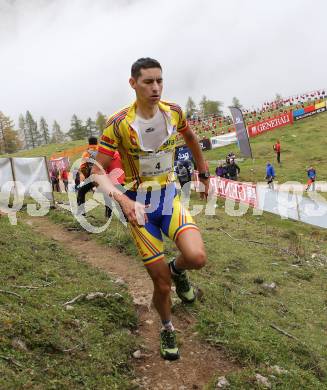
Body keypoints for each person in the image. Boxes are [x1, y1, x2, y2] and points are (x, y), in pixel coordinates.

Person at [91, 58, 208, 361]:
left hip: (169, 196)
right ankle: (167, 327)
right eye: (148, 82)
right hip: (138, 206)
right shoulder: (118, 124)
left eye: (159, 81)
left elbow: (192, 139)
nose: (155, 88)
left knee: (196, 257)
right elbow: (97, 171)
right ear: (133, 84)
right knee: (161, 284)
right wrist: (123, 200)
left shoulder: (173, 112)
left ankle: (178, 268)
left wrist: (204, 173)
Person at [77, 136, 98, 215]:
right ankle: (108, 214)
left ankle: (81, 211)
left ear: (89, 143)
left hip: (92, 177)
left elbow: (82, 167)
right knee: (107, 194)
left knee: (81, 191)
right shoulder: (102, 151)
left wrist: (86, 177)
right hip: (104, 176)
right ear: (97, 142)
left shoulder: (87, 153)